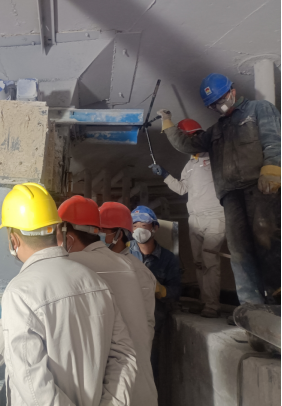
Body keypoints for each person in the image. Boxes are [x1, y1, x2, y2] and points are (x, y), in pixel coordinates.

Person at [0, 184, 137, 406]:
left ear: (13, 240)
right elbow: (124, 355)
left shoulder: (20, 292)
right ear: (57, 231)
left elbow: (34, 387)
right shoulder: (97, 284)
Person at [157, 73, 281, 306]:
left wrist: (273, 167)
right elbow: (187, 144)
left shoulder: (258, 109)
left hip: (258, 187)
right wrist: (168, 124)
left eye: (221, 99)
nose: (219, 106)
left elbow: (274, 138)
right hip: (230, 195)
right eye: (213, 104)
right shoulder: (216, 130)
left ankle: (278, 299)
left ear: (232, 91)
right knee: (239, 253)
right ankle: (251, 309)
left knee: (267, 240)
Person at [59, 196, 157, 406]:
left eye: (104, 230)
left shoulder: (74, 266)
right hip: (130, 382)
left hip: (120, 384)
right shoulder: (126, 266)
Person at [149, 119, 226, 318]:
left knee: (210, 260)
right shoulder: (189, 165)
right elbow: (182, 189)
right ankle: (206, 302)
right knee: (199, 262)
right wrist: (165, 175)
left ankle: (212, 306)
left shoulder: (216, 157)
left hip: (215, 215)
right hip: (195, 218)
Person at [130, 206, 181, 380]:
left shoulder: (168, 259)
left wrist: (161, 290)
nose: (138, 230)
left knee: (149, 372)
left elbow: (176, 291)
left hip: (153, 325)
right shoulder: (124, 255)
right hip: (126, 324)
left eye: (143, 225)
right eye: (134, 226)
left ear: (155, 228)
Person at [99, 201, 157, 344]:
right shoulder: (100, 263)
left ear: (119, 235)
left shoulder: (138, 272)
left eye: (102, 231)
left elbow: (143, 325)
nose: (98, 236)